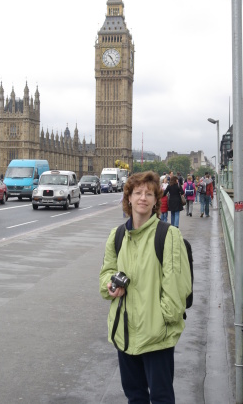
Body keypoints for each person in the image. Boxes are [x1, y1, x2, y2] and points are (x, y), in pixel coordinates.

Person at [99, 171, 191, 404]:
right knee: (135, 397)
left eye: (149, 194)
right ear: (128, 198)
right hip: (125, 334)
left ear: (155, 200)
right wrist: (110, 286)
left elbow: (176, 286)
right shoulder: (116, 236)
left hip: (156, 335)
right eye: (137, 193)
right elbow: (106, 274)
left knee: (161, 398)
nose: (143, 198)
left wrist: (161, 321)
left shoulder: (168, 235)